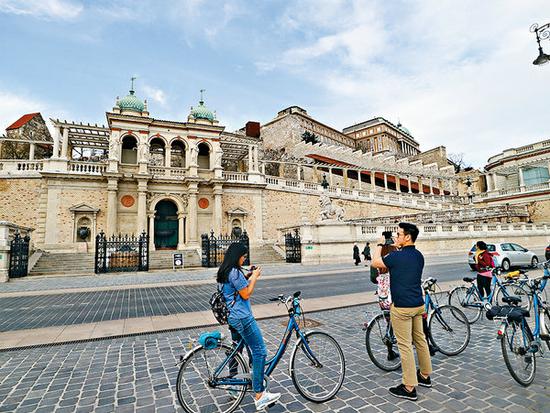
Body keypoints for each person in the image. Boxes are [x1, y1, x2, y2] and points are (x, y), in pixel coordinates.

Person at [371, 223, 432, 401]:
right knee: (420, 341)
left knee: (404, 346)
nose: (396, 237)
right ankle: (425, 376)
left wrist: (380, 244)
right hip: (418, 305)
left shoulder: (396, 257)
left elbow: (375, 262)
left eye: (399, 234)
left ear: (407, 237)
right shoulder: (419, 256)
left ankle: (409, 387)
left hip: (402, 308)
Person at [217, 242, 281, 410]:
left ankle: (233, 385)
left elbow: (235, 288)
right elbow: (245, 293)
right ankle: (260, 395)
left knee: (236, 350)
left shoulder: (225, 271)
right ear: (237, 256)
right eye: (243, 256)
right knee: (260, 351)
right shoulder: (234, 272)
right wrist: (254, 277)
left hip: (232, 317)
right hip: (242, 317)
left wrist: (247, 276)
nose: (244, 258)